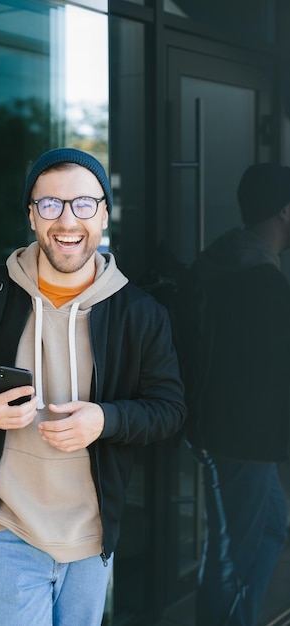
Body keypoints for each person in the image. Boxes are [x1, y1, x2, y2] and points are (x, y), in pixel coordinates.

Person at [0, 147, 186, 626]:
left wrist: (106, 418)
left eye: (84, 204)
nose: (67, 220)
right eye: (50, 205)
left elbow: (169, 408)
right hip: (7, 530)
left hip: (92, 537)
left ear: (104, 212)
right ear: (31, 214)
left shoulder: (140, 313)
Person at [185, 162, 290, 626]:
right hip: (243, 438)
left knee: (268, 527)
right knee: (232, 553)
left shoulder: (227, 259)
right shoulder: (260, 282)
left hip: (226, 430)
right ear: (285, 212)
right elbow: (263, 372)